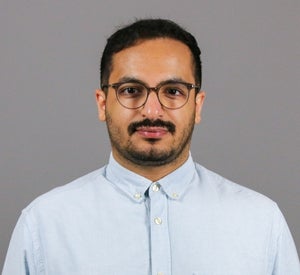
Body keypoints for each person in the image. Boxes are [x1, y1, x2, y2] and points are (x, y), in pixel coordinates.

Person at [2, 19, 299, 275]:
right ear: (102, 103)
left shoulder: (261, 222)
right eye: (131, 91)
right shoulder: (44, 224)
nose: (152, 111)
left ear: (197, 105)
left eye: (173, 91)